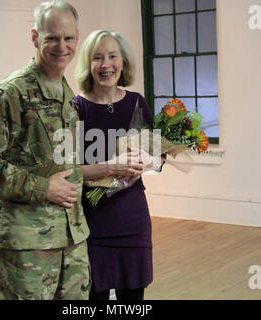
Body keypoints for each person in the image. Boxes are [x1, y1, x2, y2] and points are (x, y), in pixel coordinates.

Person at [0, 0, 91, 300]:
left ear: (77, 38)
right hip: (26, 248)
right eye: (52, 38)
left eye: (68, 38)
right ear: (35, 37)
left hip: (72, 241)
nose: (62, 46)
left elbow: (63, 164)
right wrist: (43, 188)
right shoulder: (10, 93)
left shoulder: (65, 92)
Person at [74, 30, 162, 300]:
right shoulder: (77, 108)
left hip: (132, 220)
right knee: (94, 298)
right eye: (97, 58)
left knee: (132, 300)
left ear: (123, 61)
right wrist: (113, 166)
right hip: (93, 221)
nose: (106, 64)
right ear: (88, 65)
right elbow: (70, 172)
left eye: (112, 56)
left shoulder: (137, 102)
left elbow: (159, 157)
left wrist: (150, 161)